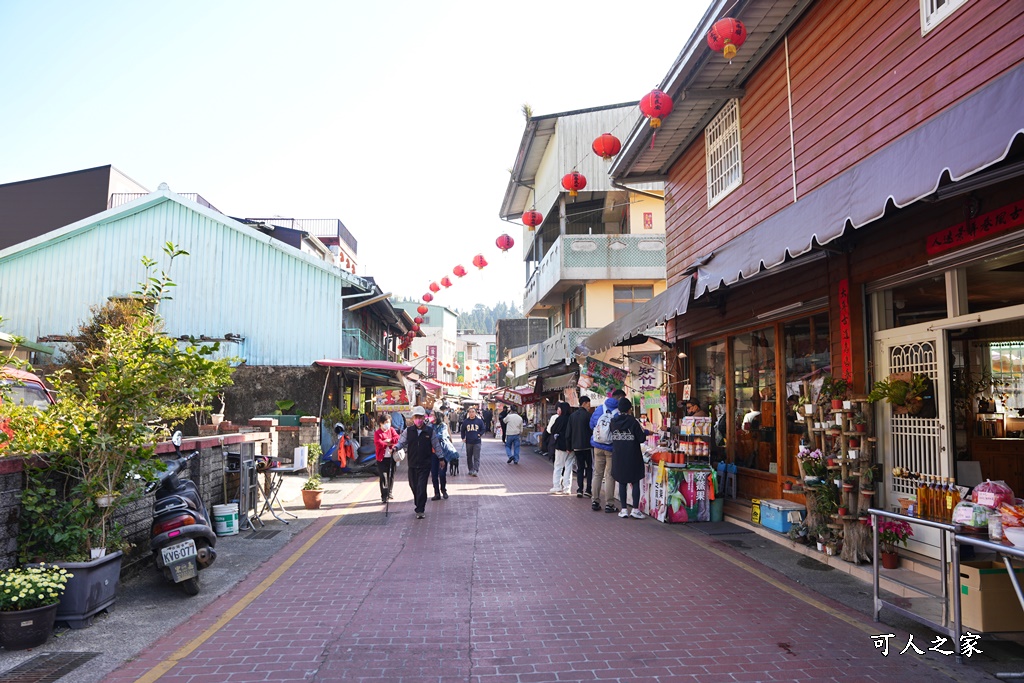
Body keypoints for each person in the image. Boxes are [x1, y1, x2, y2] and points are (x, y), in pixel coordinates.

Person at [394, 406, 443, 519]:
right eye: (416, 417)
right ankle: (418, 503)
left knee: (421, 486)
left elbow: (436, 445)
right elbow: (401, 442)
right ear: (413, 418)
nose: (418, 419)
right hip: (412, 464)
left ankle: (420, 509)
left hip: (425, 464)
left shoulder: (429, 431)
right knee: (413, 486)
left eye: (420, 417)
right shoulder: (408, 431)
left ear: (424, 418)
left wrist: (441, 458)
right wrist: (395, 448)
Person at [611, 397, 647, 519]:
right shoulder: (633, 422)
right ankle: (635, 510)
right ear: (629, 409)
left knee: (622, 482)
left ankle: (624, 509)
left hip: (618, 455)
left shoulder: (613, 421)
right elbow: (641, 438)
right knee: (635, 481)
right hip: (633, 455)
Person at [590, 389, 626, 513]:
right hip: (611, 447)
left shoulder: (599, 408)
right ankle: (609, 504)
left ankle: (595, 501)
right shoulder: (619, 412)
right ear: (620, 398)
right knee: (609, 475)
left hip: (597, 445)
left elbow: (592, 425)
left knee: (597, 473)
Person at [565, 395, 594, 498]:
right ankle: (588, 490)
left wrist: (569, 447)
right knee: (589, 468)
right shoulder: (588, 416)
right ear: (584, 403)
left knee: (580, 468)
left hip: (576, 446)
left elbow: (568, 433)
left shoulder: (572, 416)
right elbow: (592, 430)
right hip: (587, 446)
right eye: (589, 404)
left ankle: (580, 489)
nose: (589, 406)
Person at [548, 402, 574, 494]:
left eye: (559, 409)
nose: (558, 411)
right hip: (572, 446)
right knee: (568, 467)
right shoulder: (572, 418)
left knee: (558, 466)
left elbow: (552, 430)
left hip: (561, 446)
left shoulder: (560, 419)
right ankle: (567, 488)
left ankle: (557, 486)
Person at [373, 414, 400, 504]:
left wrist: (389, 441)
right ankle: (384, 496)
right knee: (383, 476)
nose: (387, 424)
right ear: (381, 423)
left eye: (388, 422)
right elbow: (378, 443)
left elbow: (397, 438)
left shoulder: (391, 430)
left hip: (391, 458)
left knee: (391, 475)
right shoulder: (378, 433)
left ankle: (390, 492)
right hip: (381, 459)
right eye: (385, 422)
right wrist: (387, 443)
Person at [460, 405, 486, 476]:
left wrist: (479, 434)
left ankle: (475, 470)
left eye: (473, 412)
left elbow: (483, 429)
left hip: (477, 441)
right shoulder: (466, 421)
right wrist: (463, 437)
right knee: (469, 456)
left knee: (476, 456)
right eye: (470, 412)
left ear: (475, 413)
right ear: (468, 413)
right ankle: (470, 469)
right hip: (468, 442)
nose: (471, 413)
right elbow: (462, 430)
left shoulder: (479, 421)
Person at [430, 409, 451, 501]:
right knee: (434, 474)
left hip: (442, 453)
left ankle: (443, 489)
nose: (431, 416)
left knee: (442, 473)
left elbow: (441, 436)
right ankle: (436, 493)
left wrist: (431, 437)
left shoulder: (443, 426)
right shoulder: (429, 425)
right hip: (432, 453)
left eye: (433, 415)